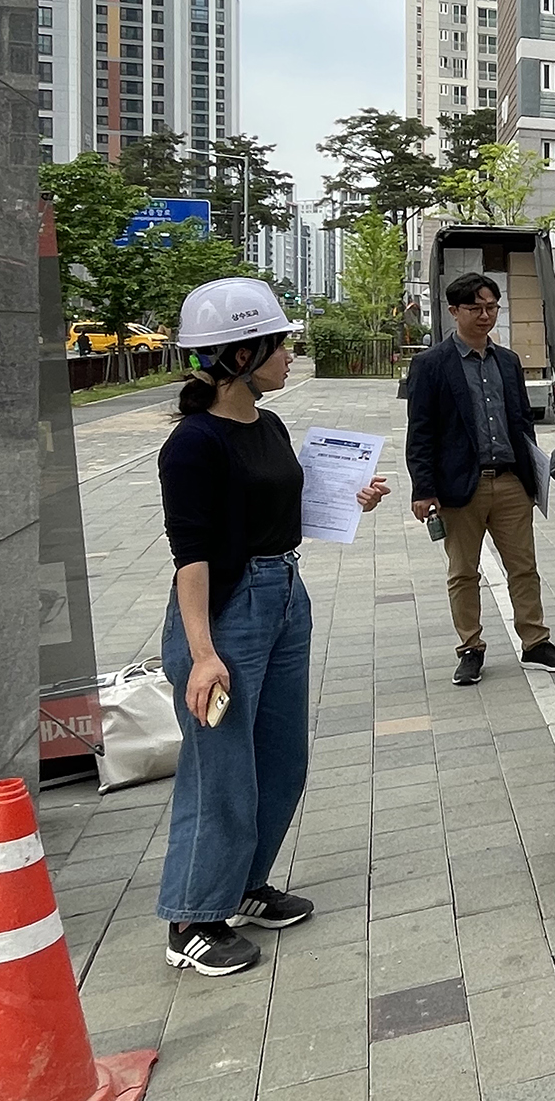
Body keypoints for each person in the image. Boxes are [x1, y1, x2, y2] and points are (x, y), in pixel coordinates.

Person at [156, 278, 390, 976]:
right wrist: (203, 654)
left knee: (283, 759)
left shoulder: (270, 426)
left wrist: (352, 498)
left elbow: (288, 508)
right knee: (221, 770)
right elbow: (191, 557)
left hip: (285, 594)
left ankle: (243, 886)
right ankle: (192, 918)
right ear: (239, 356)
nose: (290, 354)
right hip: (225, 612)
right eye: (279, 344)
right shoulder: (193, 444)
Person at [405, 271, 555, 686]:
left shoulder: (508, 361)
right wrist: (424, 489)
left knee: (524, 567)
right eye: (475, 308)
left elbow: (521, 421)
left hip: (511, 481)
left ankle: (535, 642)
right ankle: (470, 648)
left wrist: (532, 475)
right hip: (459, 487)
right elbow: (421, 431)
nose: (485, 316)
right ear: (453, 311)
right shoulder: (431, 365)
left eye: (491, 307)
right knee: (463, 572)